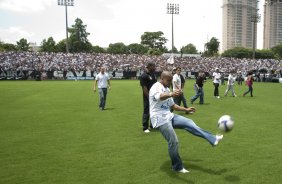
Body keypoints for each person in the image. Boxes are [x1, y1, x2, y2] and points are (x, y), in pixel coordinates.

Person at [149, 71, 223, 173]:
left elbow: (173, 106)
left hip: (168, 116)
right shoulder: (156, 86)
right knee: (173, 142)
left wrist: (186, 109)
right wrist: (171, 93)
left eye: (171, 80)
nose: (170, 82)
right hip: (159, 118)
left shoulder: (166, 88)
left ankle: (213, 139)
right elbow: (160, 96)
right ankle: (177, 167)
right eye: (168, 80)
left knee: (189, 122)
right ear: (162, 78)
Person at [139, 62, 157, 133]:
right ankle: (145, 127)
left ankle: (153, 125)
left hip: (155, 96)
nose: (155, 68)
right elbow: (144, 88)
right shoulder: (144, 76)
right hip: (147, 97)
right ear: (149, 67)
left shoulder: (153, 75)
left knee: (154, 111)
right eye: (153, 66)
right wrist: (149, 97)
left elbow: (156, 85)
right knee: (147, 111)